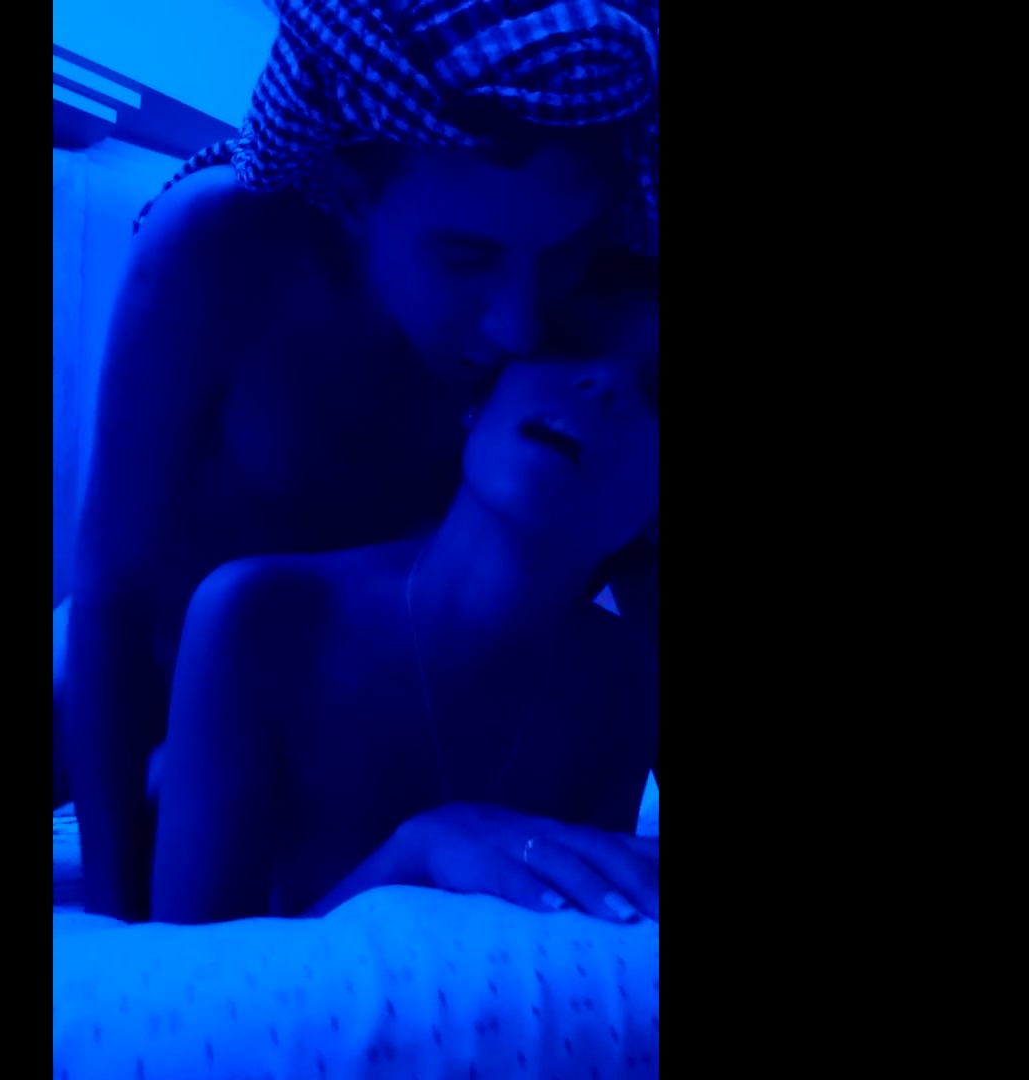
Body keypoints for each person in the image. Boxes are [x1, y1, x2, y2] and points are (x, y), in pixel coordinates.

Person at [59, 0, 662, 922]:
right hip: (151, 662)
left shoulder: (578, 333)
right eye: (464, 256)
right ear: (349, 195)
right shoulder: (220, 246)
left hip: (337, 711)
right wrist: (120, 925)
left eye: (563, 255)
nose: (519, 322)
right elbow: (115, 593)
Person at [150, 256, 659, 926]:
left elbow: (590, 926)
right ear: (477, 399)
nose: (606, 382)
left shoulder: (622, 679)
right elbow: (189, 963)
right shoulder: (260, 616)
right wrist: (413, 855)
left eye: (659, 391)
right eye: (573, 340)